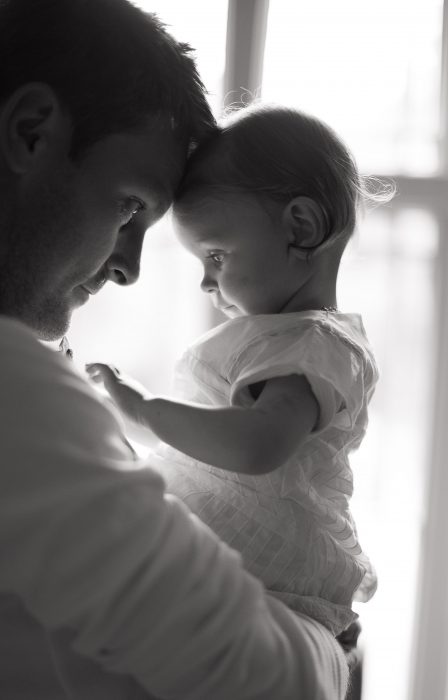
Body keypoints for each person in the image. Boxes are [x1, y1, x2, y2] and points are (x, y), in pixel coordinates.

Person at [0, 1, 351, 699]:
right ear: (31, 133)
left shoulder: (312, 351)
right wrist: (328, 644)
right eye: (130, 207)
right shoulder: (17, 391)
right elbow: (279, 685)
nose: (127, 268)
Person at [88, 104, 388, 639]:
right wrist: (120, 410)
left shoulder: (315, 343)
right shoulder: (280, 338)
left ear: (300, 227)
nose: (207, 282)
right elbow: (201, 444)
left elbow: (256, 447)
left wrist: (146, 409)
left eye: (216, 257)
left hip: (270, 556)